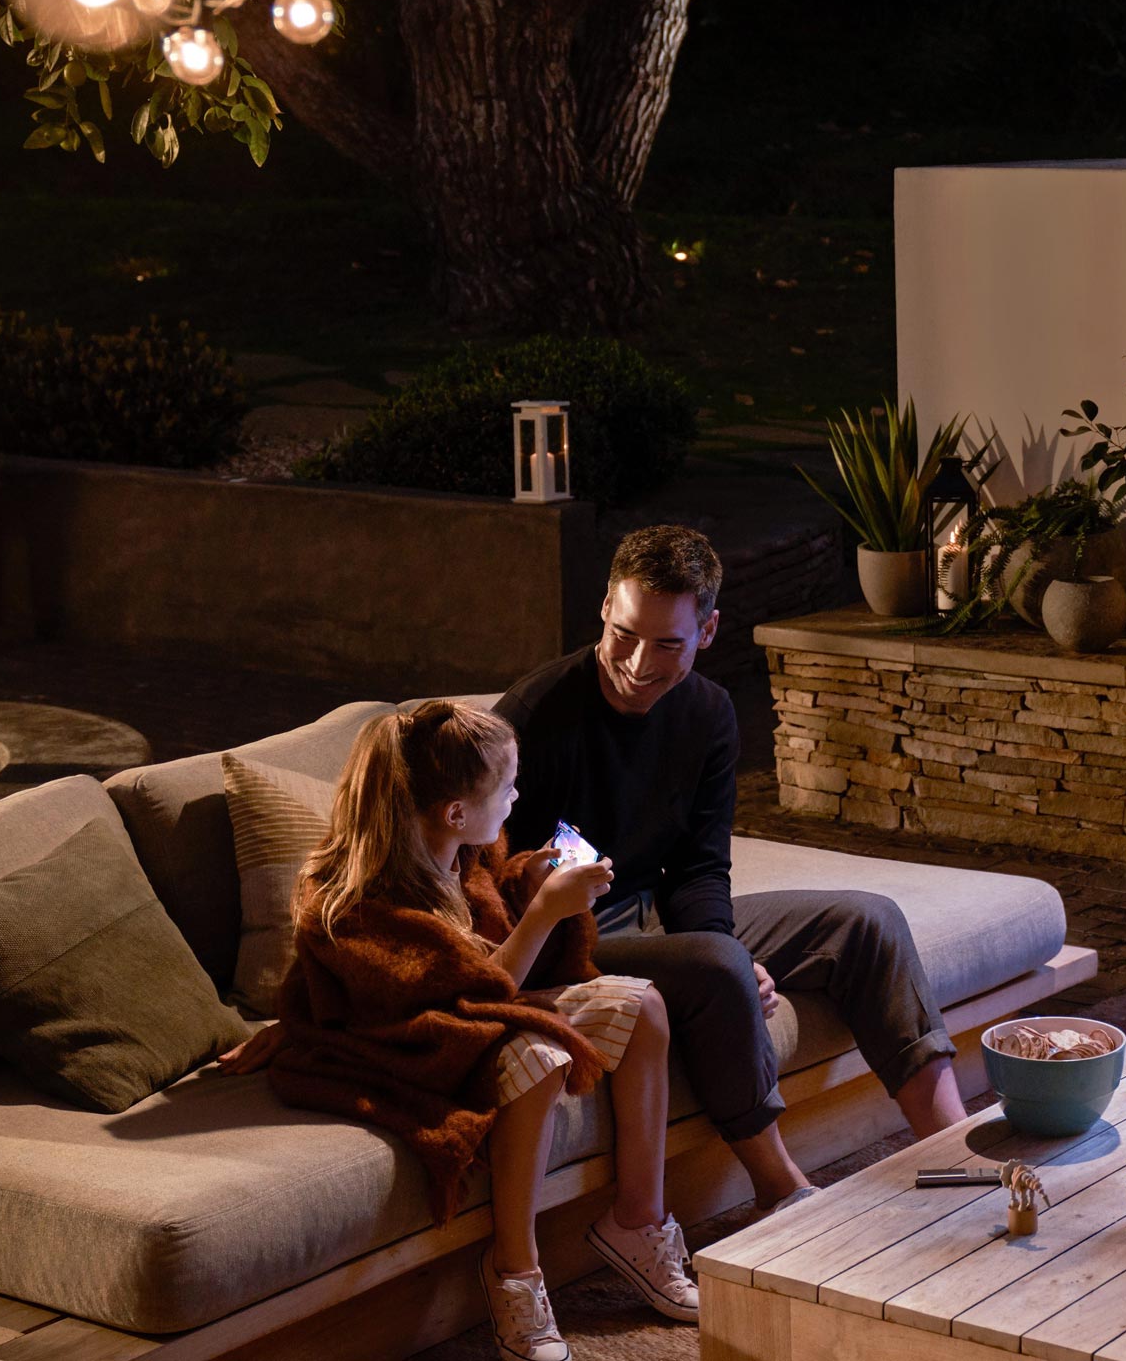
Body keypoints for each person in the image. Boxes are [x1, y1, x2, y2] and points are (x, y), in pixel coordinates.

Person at [495, 525, 964, 1215]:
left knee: (868, 922)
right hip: (561, 942)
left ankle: (955, 1154)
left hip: (655, 917)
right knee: (717, 966)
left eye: (667, 644)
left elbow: (699, 866)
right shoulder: (536, 718)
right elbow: (496, 884)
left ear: (708, 630)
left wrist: (733, 946)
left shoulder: (708, 716)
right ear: (604, 606)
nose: (635, 662)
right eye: (624, 633)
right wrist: (725, 959)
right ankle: (783, 1191)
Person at [218, 701, 700, 1358]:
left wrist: (528, 885)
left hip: (474, 1015)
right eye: (508, 787)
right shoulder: (347, 901)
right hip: (407, 1045)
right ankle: (515, 1272)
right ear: (454, 812)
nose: (516, 797)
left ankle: (636, 1222)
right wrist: (546, 917)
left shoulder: (462, 854)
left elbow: (481, 945)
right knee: (538, 1058)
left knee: (644, 1008)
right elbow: (459, 992)